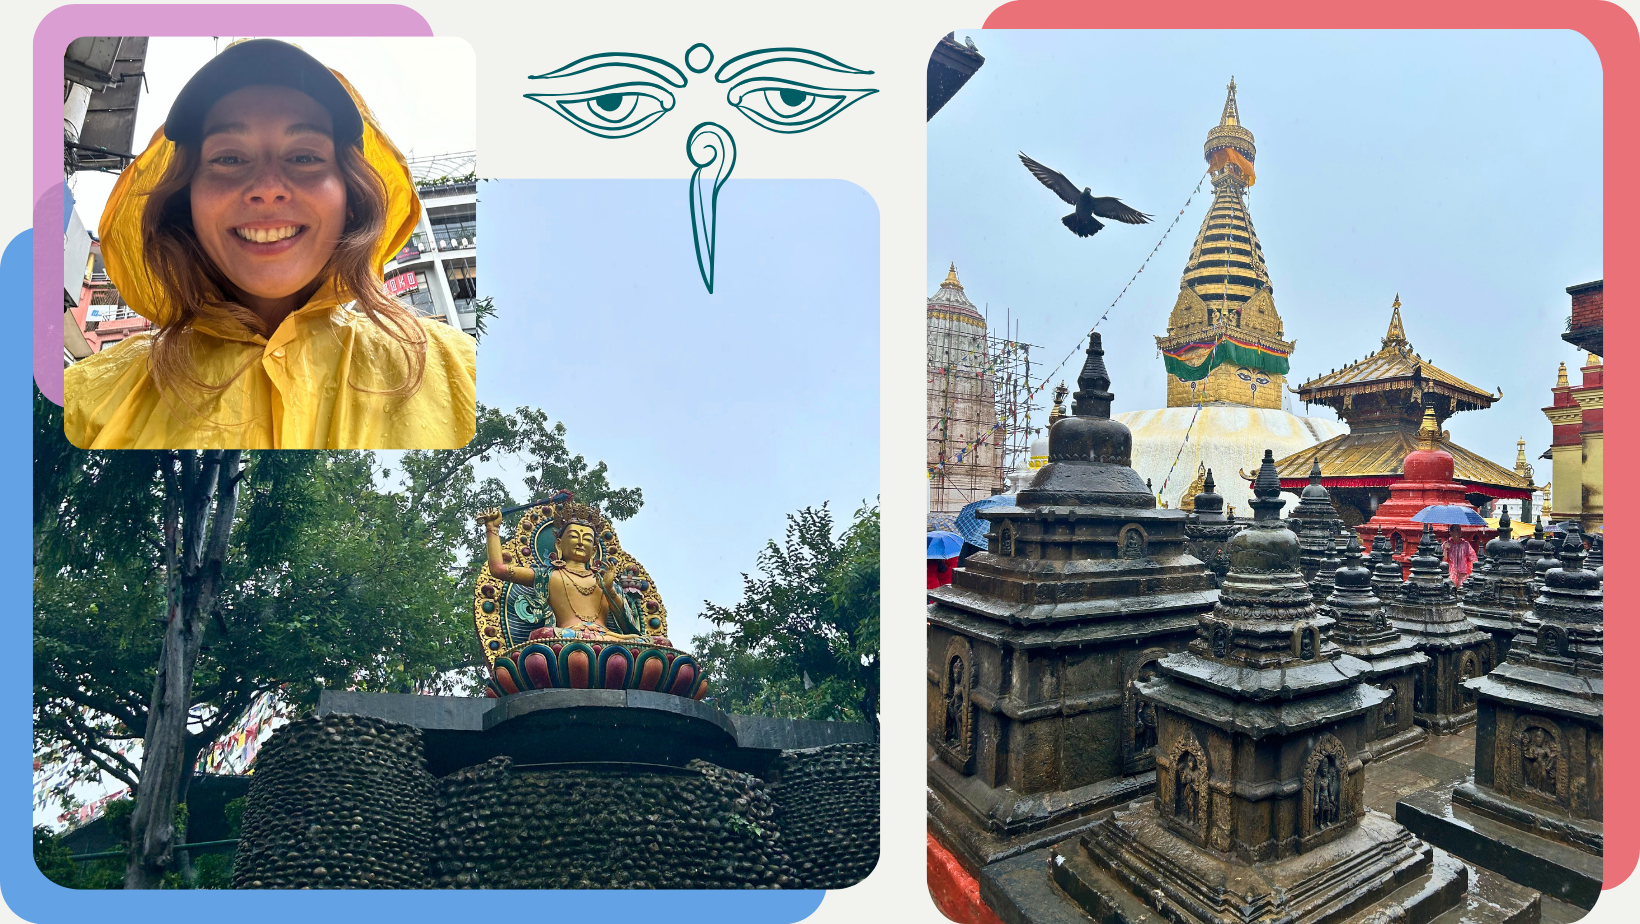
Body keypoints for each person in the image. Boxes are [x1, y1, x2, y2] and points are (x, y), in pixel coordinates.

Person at [64, 39, 476, 449]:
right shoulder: (86, 402)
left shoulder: (459, 372)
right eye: (228, 158)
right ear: (184, 203)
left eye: (304, 157)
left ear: (350, 199)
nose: (266, 189)